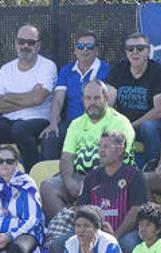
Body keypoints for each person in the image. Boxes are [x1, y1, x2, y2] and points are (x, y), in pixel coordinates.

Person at [40, 80, 135, 220]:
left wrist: (90, 181)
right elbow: (67, 157)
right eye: (88, 98)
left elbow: (115, 160)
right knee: (48, 187)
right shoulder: (76, 123)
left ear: (106, 99)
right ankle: (70, 229)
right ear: (82, 99)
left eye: (97, 98)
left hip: (113, 177)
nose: (92, 102)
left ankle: (84, 228)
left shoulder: (120, 122)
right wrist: (69, 181)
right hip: (80, 176)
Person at [0, 24, 56, 169]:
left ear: (38, 45)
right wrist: (29, 97)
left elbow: (38, 99)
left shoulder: (47, 66)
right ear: (16, 43)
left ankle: (32, 173)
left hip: (37, 120)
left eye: (31, 42)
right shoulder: (6, 69)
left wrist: (8, 96)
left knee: (20, 129)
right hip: (7, 121)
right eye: (21, 41)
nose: (25, 46)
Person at [40, 30, 111, 160]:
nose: (85, 50)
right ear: (75, 50)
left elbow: (108, 102)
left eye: (89, 47)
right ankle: (52, 177)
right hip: (70, 124)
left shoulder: (107, 70)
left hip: (96, 122)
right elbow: (58, 100)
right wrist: (53, 123)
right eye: (80, 46)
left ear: (96, 50)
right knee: (50, 137)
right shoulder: (66, 70)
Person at [106, 32, 161, 167]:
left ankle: (152, 169)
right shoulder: (118, 70)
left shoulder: (158, 72)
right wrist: (118, 125)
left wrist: (131, 126)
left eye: (140, 48)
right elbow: (108, 104)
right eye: (130, 49)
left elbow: (160, 110)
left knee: (149, 127)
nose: (135, 52)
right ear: (126, 52)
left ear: (148, 51)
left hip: (150, 126)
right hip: (123, 124)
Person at [79, 130, 148, 252]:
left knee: (128, 242)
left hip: (124, 233)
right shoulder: (91, 176)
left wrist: (115, 235)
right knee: (60, 243)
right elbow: (83, 209)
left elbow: (136, 211)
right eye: (99, 146)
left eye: (106, 146)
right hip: (95, 232)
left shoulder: (134, 175)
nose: (101, 151)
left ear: (121, 150)